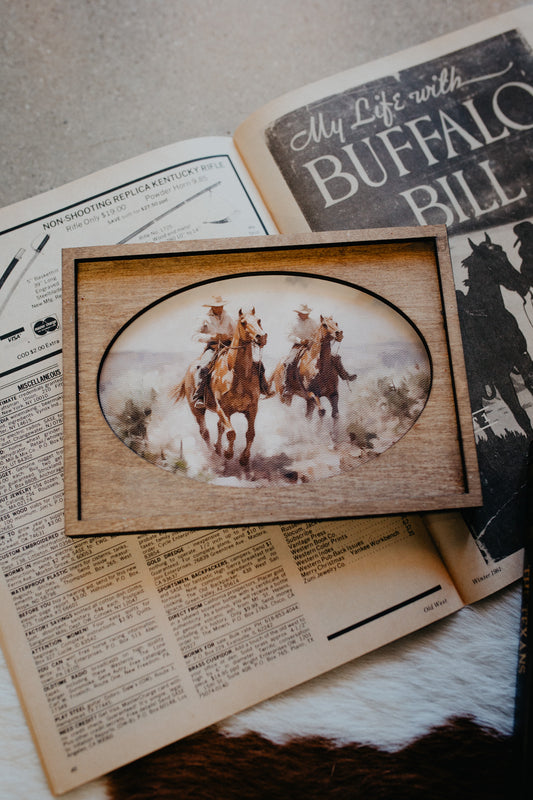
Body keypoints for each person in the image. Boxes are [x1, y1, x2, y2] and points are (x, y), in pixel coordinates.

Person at [192, 295, 235, 408]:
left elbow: (235, 332)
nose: (219, 309)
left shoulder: (229, 316)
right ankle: (200, 396)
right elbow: (195, 335)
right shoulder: (204, 318)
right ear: (212, 307)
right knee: (204, 366)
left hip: (229, 346)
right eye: (216, 307)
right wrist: (212, 336)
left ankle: (262, 388)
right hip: (213, 347)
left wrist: (230, 337)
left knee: (250, 361)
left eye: (221, 306)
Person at [281, 303, 318, 398]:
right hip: (298, 346)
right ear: (299, 313)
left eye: (307, 313)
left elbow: (317, 333)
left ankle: (342, 376)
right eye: (304, 313)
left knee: (329, 358)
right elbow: (289, 335)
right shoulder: (293, 322)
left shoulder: (313, 322)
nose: (306, 315)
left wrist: (313, 340)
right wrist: (300, 340)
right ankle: (287, 386)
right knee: (289, 362)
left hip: (311, 345)